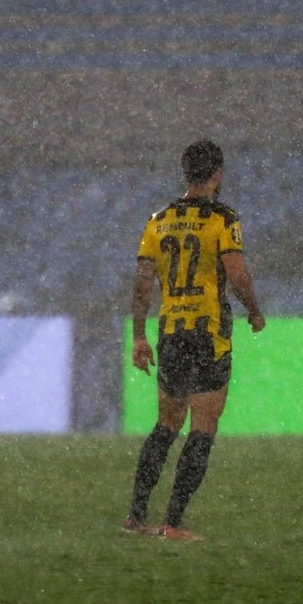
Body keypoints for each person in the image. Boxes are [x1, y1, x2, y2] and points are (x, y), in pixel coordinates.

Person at [124, 139, 265, 541]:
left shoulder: (159, 220)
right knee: (202, 427)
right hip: (207, 332)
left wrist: (138, 336)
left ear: (186, 173)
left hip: (171, 332)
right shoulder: (223, 219)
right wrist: (254, 309)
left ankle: (136, 516)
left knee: (166, 423)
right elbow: (236, 274)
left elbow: (142, 285)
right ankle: (172, 523)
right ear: (217, 174)